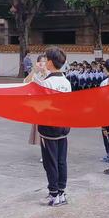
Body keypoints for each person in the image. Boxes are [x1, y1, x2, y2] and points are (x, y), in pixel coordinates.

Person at [36, 47, 72, 207]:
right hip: (63, 126)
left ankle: (53, 194)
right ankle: (62, 192)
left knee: (50, 162)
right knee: (61, 160)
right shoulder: (66, 82)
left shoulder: (47, 82)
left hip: (49, 127)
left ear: (49, 62)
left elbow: (41, 106)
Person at [24, 54, 49, 159]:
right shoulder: (36, 75)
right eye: (41, 62)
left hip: (49, 106)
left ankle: (49, 152)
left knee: (49, 131)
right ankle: (44, 153)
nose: (43, 64)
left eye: (45, 61)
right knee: (41, 132)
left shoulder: (50, 74)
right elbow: (25, 82)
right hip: (39, 107)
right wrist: (34, 71)